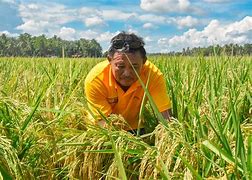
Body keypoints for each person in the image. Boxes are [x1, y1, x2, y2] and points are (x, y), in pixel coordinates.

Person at [84, 31, 172, 132]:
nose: (127, 73)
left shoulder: (153, 76)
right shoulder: (96, 80)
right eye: (120, 66)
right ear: (109, 60)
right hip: (102, 127)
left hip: (134, 126)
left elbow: (165, 116)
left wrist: (169, 135)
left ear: (144, 61)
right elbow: (103, 122)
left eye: (134, 67)